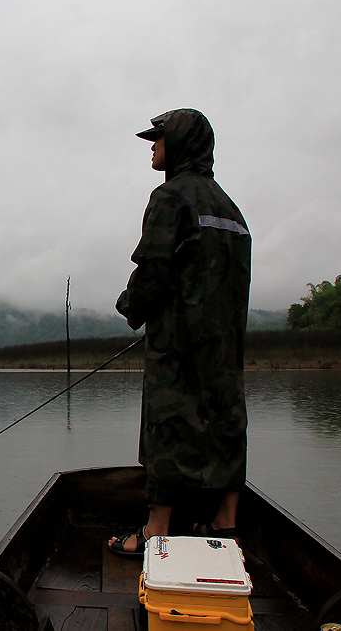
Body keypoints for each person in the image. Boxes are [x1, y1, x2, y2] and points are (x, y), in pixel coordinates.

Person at [108, 108, 252, 558]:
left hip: (178, 341)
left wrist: (130, 307)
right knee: (227, 418)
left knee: (166, 424)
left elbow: (154, 269)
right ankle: (226, 524)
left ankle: (156, 531)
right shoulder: (231, 207)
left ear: (181, 144)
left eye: (158, 139)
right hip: (225, 345)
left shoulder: (169, 197)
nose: (152, 147)